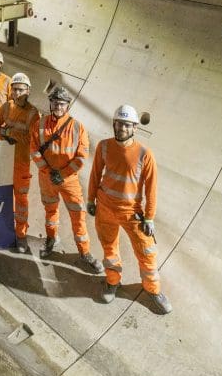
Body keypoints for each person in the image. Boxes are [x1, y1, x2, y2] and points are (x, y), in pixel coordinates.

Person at [87, 105, 172, 313]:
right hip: (105, 208)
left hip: (131, 212)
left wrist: (149, 217)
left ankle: (153, 290)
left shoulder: (144, 154)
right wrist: (90, 200)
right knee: (109, 248)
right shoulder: (104, 146)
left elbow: (151, 188)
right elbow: (95, 174)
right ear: (114, 124)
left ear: (134, 128)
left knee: (147, 251)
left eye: (127, 125)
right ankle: (112, 282)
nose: (122, 128)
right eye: (119, 124)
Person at [30, 86, 103, 272]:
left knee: (78, 216)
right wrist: (48, 171)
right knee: (50, 211)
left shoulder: (77, 127)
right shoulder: (40, 124)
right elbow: (34, 150)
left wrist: (61, 174)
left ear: (67, 105)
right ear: (50, 103)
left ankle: (85, 252)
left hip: (69, 181)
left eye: (62, 104)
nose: (58, 106)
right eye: (55, 103)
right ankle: (51, 239)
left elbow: (81, 157)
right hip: (47, 178)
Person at [0, 72, 39, 252]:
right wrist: (2, 138)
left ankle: (21, 235)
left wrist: (10, 133)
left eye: (21, 89)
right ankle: (4, 230)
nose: (18, 93)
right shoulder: (6, 107)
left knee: (21, 200)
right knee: (3, 197)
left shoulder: (33, 114)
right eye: (15, 89)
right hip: (4, 161)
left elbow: (32, 139)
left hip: (21, 163)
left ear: (28, 91)